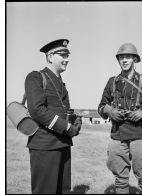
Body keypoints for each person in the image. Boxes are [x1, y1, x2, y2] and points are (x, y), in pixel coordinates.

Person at [98, 43, 142, 194]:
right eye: (121, 57)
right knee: (120, 180)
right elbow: (101, 106)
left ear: (134, 59)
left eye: (128, 57)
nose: (124, 60)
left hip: (139, 136)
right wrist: (109, 110)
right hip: (117, 136)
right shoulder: (112, 81)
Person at [25, 39, 82, 194]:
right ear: (50, 56)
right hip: (45, 146)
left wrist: (75, 120)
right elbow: (37, 110)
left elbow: (60, 110)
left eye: (68, 54)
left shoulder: (60, 82)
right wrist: (67, 127)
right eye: (63, 54)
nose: (67, 59)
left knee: (63, 190)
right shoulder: (35, 77)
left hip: (63, 144)